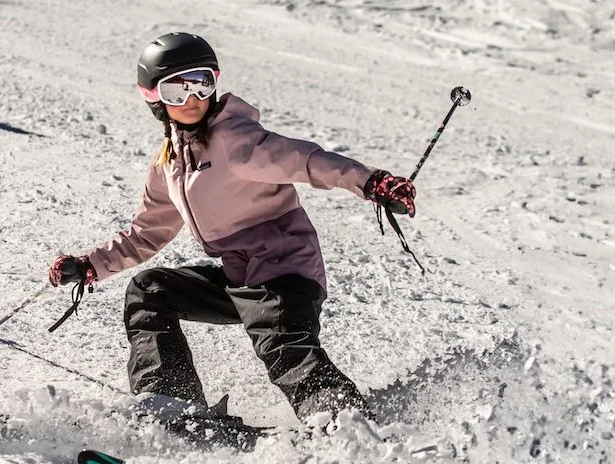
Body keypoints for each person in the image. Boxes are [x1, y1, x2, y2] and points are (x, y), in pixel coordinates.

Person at [48, 32, 417, 423]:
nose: (191, 99)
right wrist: (90, 265)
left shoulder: (236, 139)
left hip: (283, 272)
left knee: (282, 345)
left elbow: (307, 160)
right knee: (150, 291)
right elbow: (146, 232)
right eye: (177, 89)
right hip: (240, 277)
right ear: (155, 98)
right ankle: (170, 400)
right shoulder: (169, 164)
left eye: (201, 83)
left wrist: (370, 182)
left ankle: (345, 425)